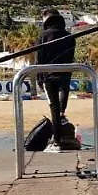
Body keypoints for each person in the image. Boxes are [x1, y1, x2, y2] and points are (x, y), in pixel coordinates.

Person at [37, 9, 76, 152]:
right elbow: (70, 57)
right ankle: (62, 122)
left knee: (54, 107)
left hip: (49, 75)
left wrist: (39, 78)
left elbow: (39, 59)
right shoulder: (69, 36)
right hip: (65, 74)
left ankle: (57, 140)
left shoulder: (43, 36)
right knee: (60, 107)